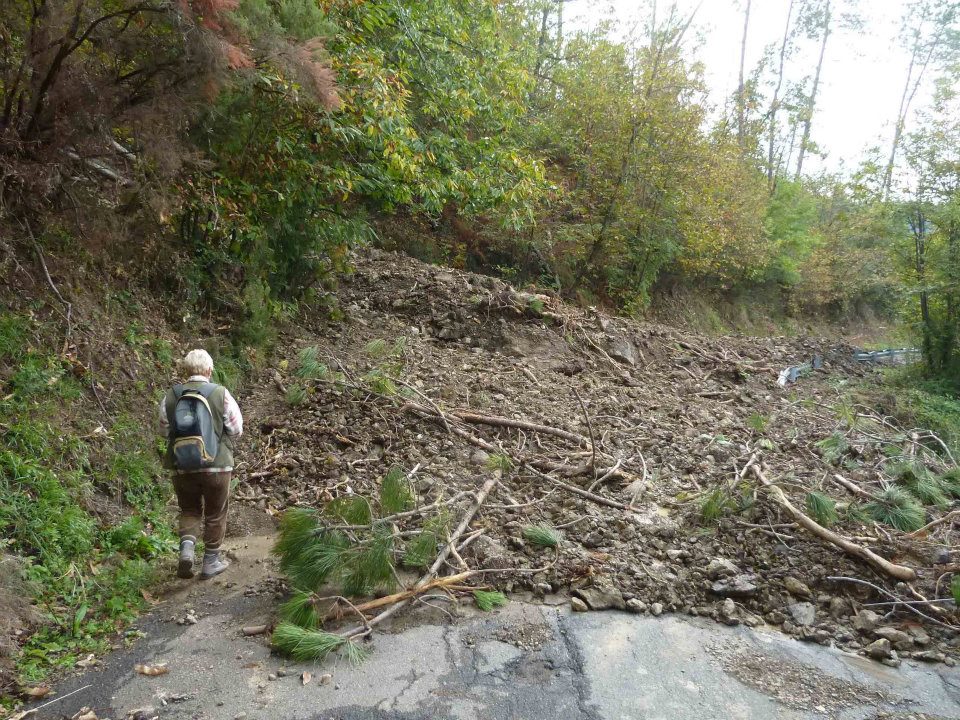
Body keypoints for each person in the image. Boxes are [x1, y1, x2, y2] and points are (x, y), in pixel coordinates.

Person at [159, 349, 243, 579]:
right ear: (209, 370)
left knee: (189, 509)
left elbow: (163, 429)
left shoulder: (171, 395)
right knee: (216, 512)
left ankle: (186, 551)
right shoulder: (220, 393)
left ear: (185, 371)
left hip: (182, 466)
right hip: (217, 465)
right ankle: (211, 561)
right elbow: (236, 429)